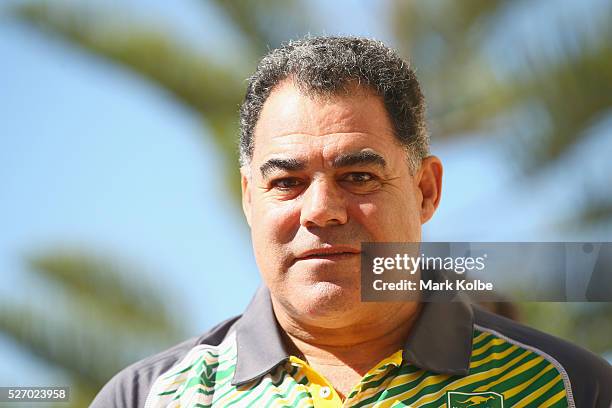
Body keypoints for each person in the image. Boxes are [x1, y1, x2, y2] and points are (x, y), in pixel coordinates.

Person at [90, 36, 612, 408]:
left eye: (358, 176)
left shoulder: (567, 389)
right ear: (250, 199)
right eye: (286, 182)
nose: (321, 210)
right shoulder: (146, 398)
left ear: (426, 190)